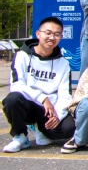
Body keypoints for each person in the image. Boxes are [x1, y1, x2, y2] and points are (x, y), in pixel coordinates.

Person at [3, 17, 75, 153]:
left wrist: (58, 115)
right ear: (38, 34)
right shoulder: (22, 56)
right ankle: (20, 136)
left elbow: (65, 95)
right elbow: (16, 85)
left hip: (49, 109)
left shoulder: (63, 63)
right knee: (12, 99)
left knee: (68, 129)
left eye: (57, 34)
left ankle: (39, 128)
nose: (52, 37)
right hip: (28, 104)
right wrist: (42, 98)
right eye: (48, 33)